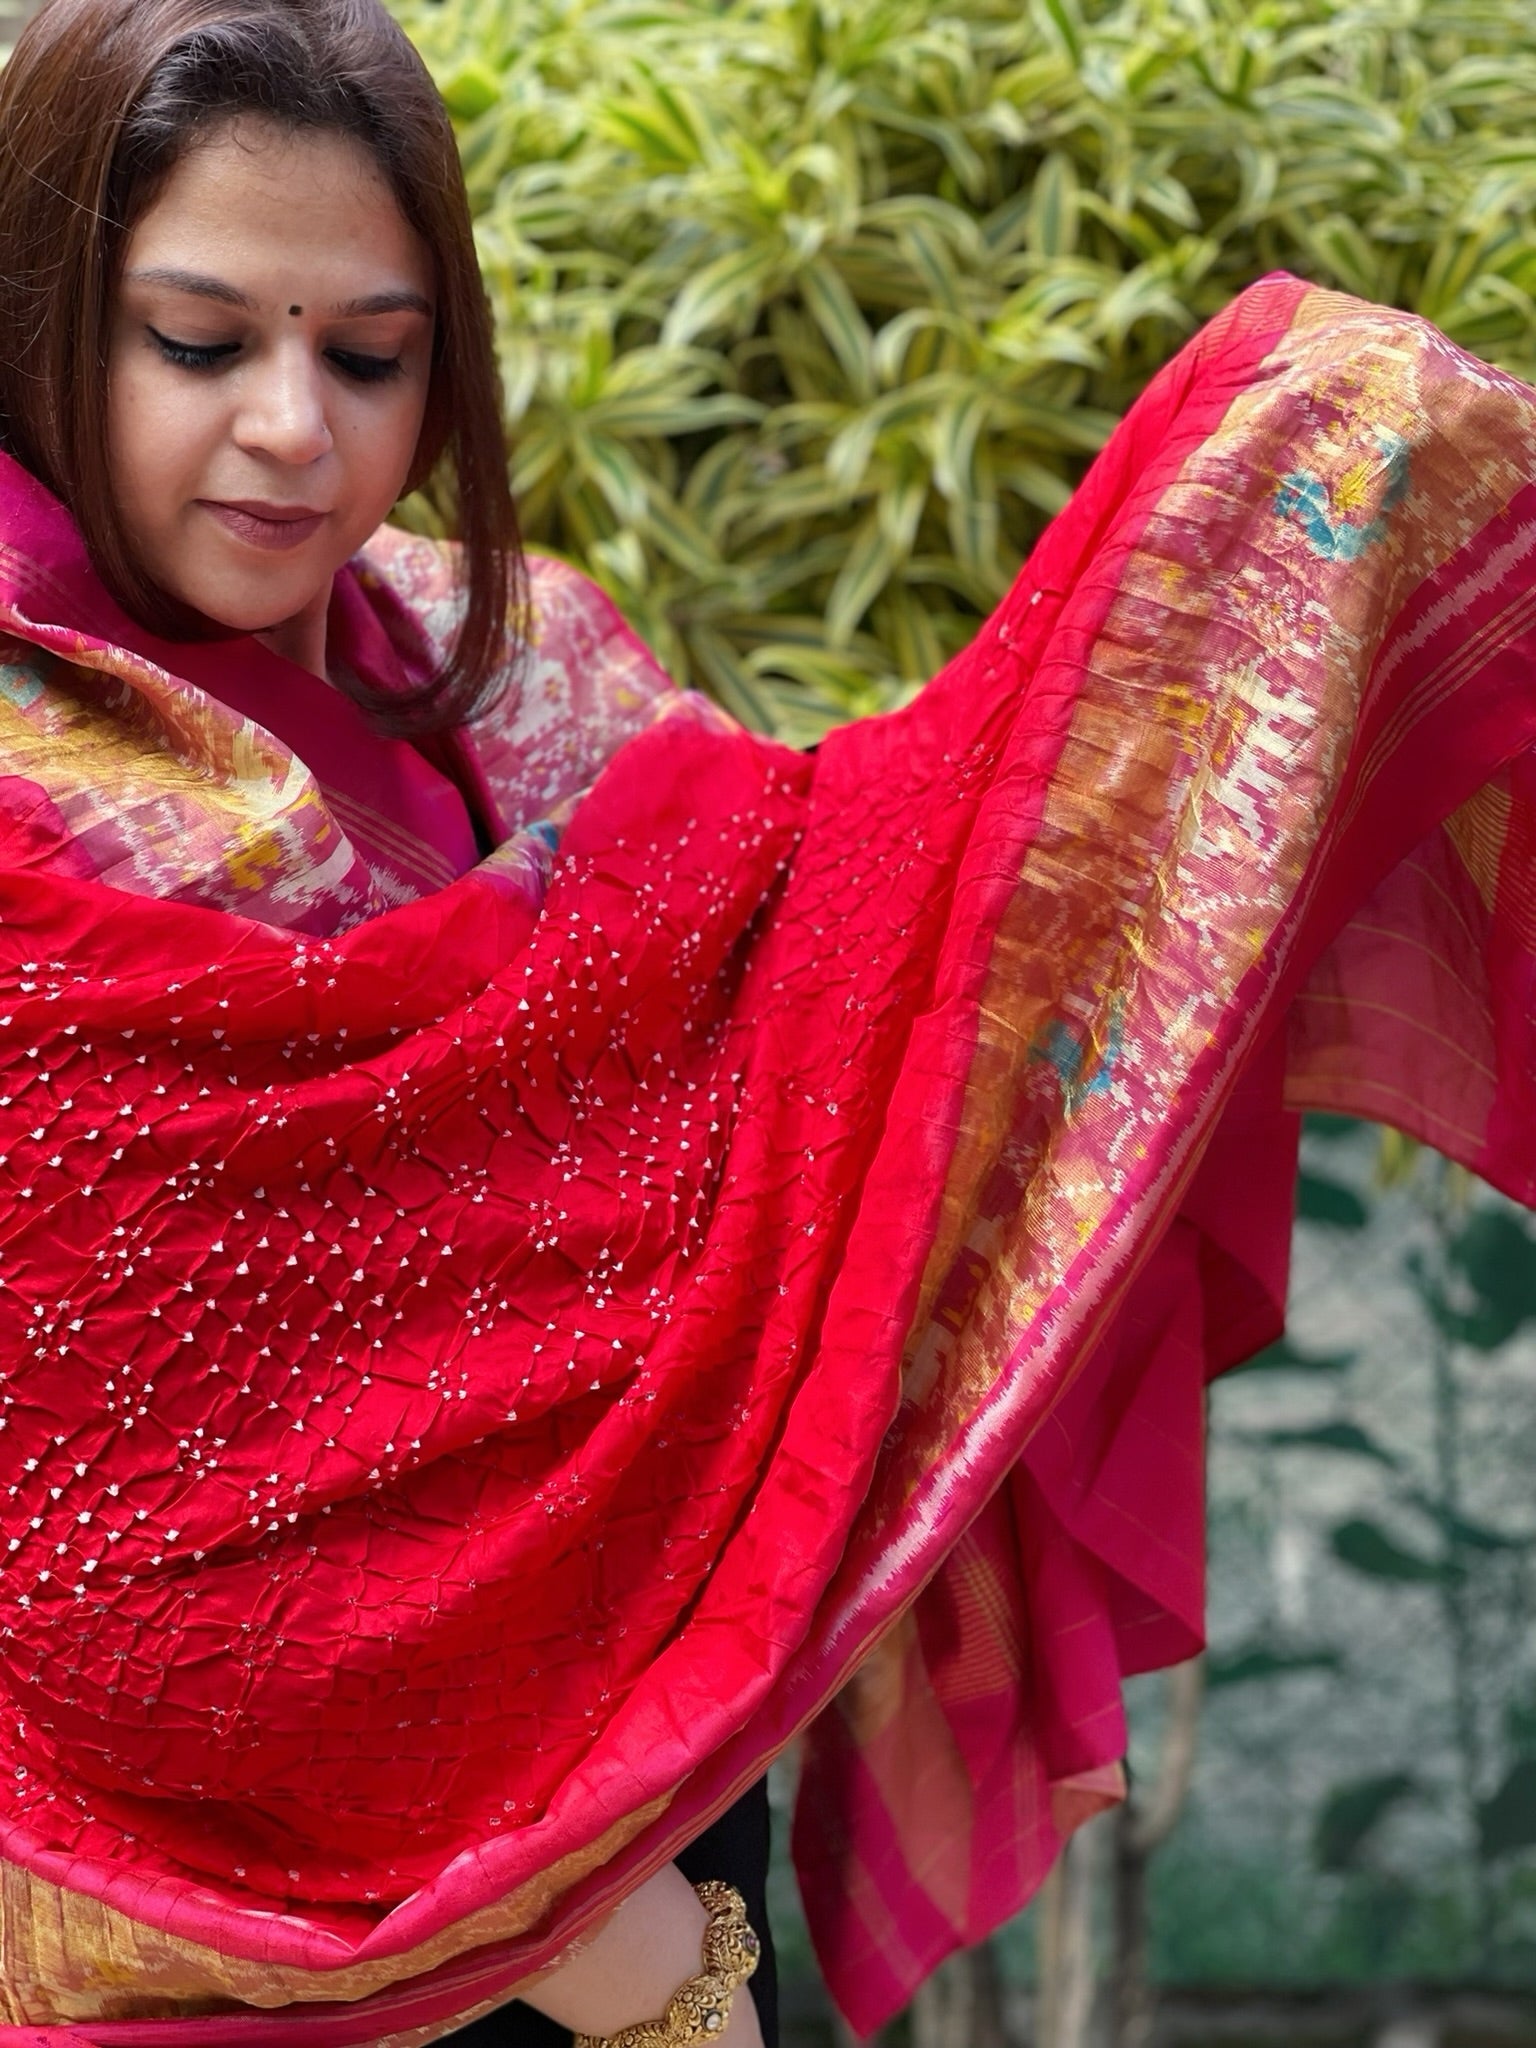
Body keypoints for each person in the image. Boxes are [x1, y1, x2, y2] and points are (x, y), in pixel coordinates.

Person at [1, 3, 1535, 2045]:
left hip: (650, 1810)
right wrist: (614, 1965)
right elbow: (102, 1517)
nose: (297, 428)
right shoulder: (27, 784)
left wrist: (1263, 531)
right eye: (200, 343)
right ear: (37, 321)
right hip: (234, 1935)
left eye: (368, 355)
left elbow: (844, 975)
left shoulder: (515, 681)